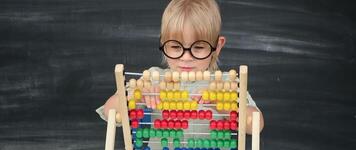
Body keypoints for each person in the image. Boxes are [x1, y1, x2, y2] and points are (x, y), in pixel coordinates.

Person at [97, 0, 264, 134]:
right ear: (163, 44)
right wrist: (139, 96)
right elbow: (110, 111)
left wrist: (225, 105)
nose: (186, 57)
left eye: (198, 47)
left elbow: (255, 124)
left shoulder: (228, 83)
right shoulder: (152, 78)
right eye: (175, 47)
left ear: (217, 46)